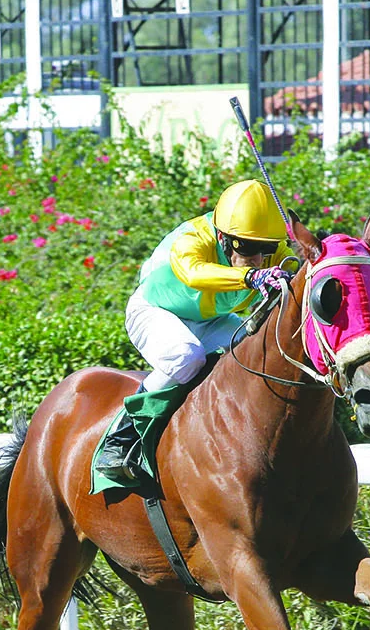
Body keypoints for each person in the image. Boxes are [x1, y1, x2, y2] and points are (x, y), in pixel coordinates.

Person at [93, 179, 296, 489]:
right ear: (224, 238)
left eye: (265, 249)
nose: (257, 257)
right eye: (247, 247)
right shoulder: (194, 237)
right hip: (155, 311)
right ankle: (123, 434)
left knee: (254, 354)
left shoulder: (269, 248)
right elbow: (194, 272)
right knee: (186, 356)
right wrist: (251, 276)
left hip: (210, 320)